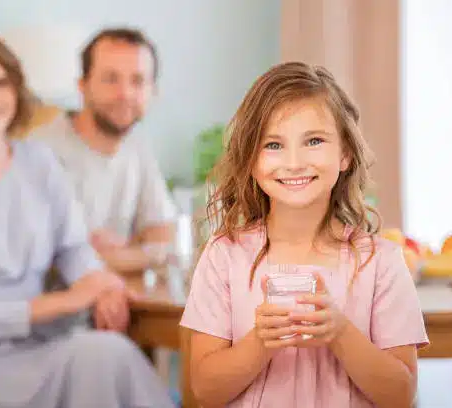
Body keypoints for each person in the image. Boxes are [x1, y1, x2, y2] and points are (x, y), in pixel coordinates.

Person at [0, 30, 175, 408]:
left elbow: (74, 247)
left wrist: (103, 284)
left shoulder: (38, 163)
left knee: (108, 353)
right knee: (105, 356)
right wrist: (69, 300)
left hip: (51, 343)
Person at [180, 62, 428, 407]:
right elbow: (204, 390)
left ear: (345, 153)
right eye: (273, 145)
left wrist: (340, 333)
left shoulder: (380, 262)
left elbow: (402, 394)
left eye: (313, 141)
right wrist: (260, 344)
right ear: (251, 160)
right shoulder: (225, 255)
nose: (294, 163)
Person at [30, 27, 177, 275]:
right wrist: (141, 251)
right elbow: (56, 261)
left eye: (138, 81)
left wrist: (121, 251)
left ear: (153, 91)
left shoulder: (137, 147)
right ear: (82, 86)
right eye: (110, 79)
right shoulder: (40, 152)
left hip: (121, 300)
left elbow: (165, 234)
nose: (125, 94)